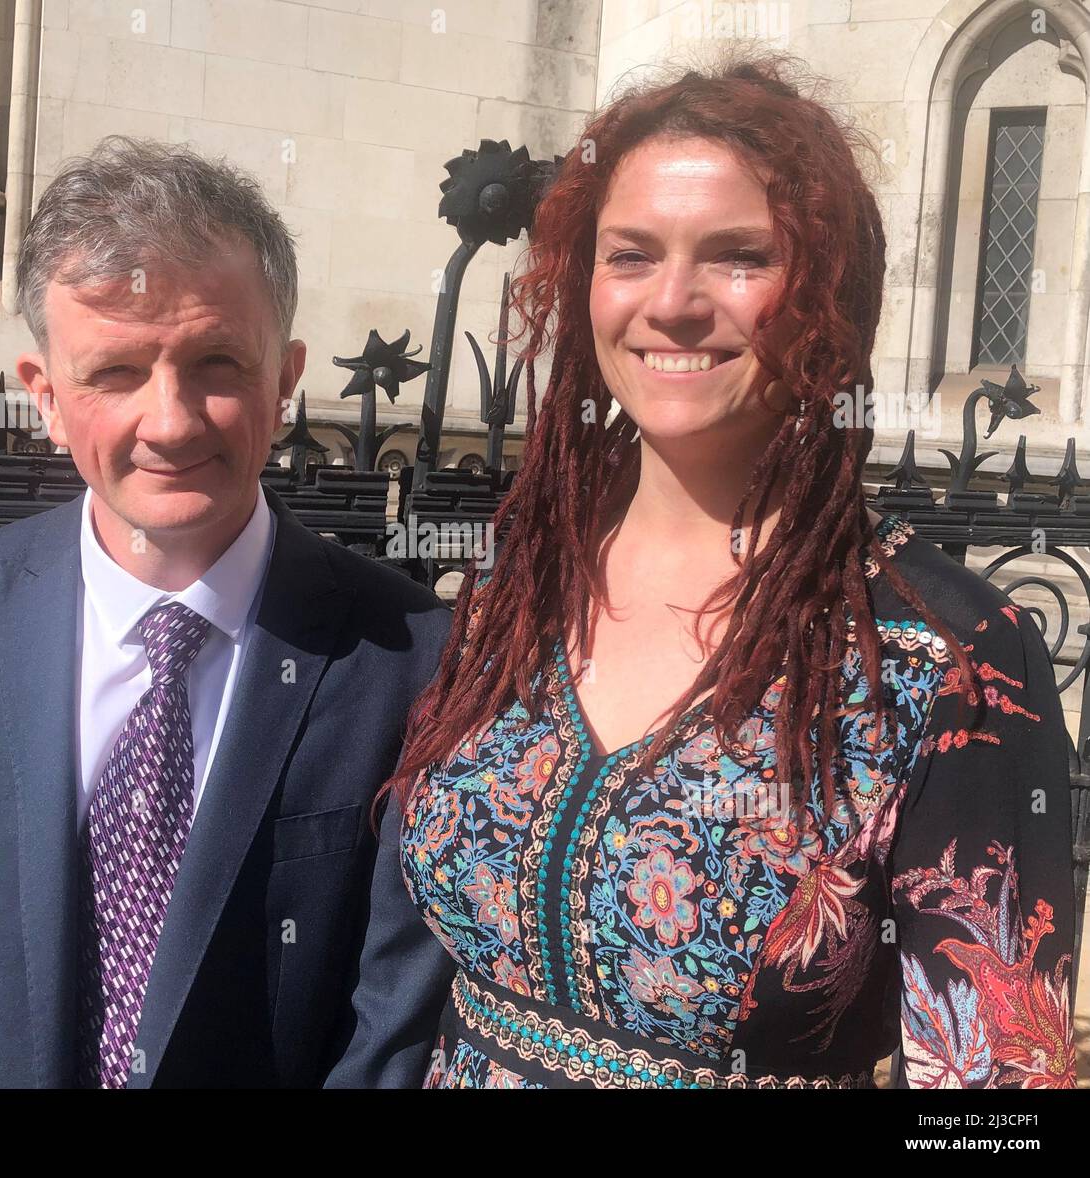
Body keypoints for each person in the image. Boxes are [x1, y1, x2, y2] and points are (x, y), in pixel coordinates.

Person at [333, 53, 1078, 1089]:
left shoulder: (941, 655)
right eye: (630, 254)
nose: (672, 303)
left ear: (825, 295)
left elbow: (996, 1082)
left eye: (736, 257)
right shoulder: (516, 594)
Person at [0, 135, 450, 1088]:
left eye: (217, 361)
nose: (172, 420)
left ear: (286, 376)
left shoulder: (411, 656)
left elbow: (391, 1027)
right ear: (46, 398)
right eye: (115, 373)